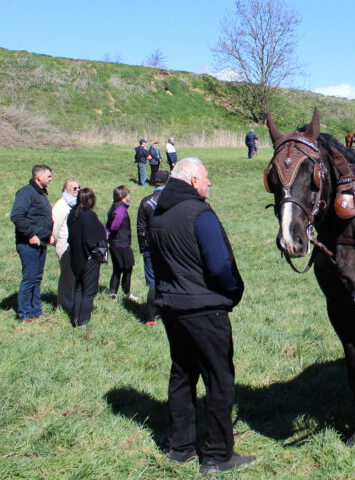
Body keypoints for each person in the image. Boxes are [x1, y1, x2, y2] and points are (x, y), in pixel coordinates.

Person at [148, 157, 254, 474]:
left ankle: (180, 448)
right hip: (204, 310)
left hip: (172, 307)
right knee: (219, 380)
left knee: (182, 375)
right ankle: (218, 454)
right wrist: (234, 291)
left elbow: (156, 264)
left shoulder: (157, 214)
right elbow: (220, 265)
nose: (209, 184)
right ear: (194, 180)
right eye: (207, 178)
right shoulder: (200, 214)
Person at [10, 165, 54, 323]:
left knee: (37, 278)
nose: (51, 178)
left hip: (41, 242)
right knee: (29, 278)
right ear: (38, 177)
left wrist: (48, 235)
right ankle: (24, 314)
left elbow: (40, 216)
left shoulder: (40, 192)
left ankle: (36, 311)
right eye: (48, 176)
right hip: (28, 244)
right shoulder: (27, 192)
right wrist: (30, 235)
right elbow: (16, 216)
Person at [68, 187, 106, 327]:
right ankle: (83, 322)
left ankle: (76, 318)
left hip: (75, 257)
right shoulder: (89, 216)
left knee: (78, 289)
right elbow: (94, 238)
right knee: (89, 291)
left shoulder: (73, 214)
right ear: (91, 200)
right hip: (89, 258)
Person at [136, 169, 169, 326]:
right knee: (168, 279)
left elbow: (140, 227)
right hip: (168, 248)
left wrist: (143, 247)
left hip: (150, 247)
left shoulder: (145, 201)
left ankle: (150, 318)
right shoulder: (171, 200)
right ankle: (167, 313)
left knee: (153, 283)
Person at [51, 178, 80, 315]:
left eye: (79, 187)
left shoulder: (76, 204)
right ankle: (63, 305)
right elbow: (54, 227)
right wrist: (58, 242)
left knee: (74, 276)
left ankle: (73, 301)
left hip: (75, 244)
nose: (78, 190)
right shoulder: (61, 205)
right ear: (66, 189)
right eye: (74, 188)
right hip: (64, 243)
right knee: (67, 276)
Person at [105, 185, 137, 301]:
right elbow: (114, 226)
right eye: (128, 193)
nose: (129, 195)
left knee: (117, 269)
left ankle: (113, 293)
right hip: (121, 243)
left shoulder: (113, 206)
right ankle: (127, 293)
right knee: (128, 268)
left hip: (114, 243)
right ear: (124, 196)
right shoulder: (121, 209)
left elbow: (107, 226)